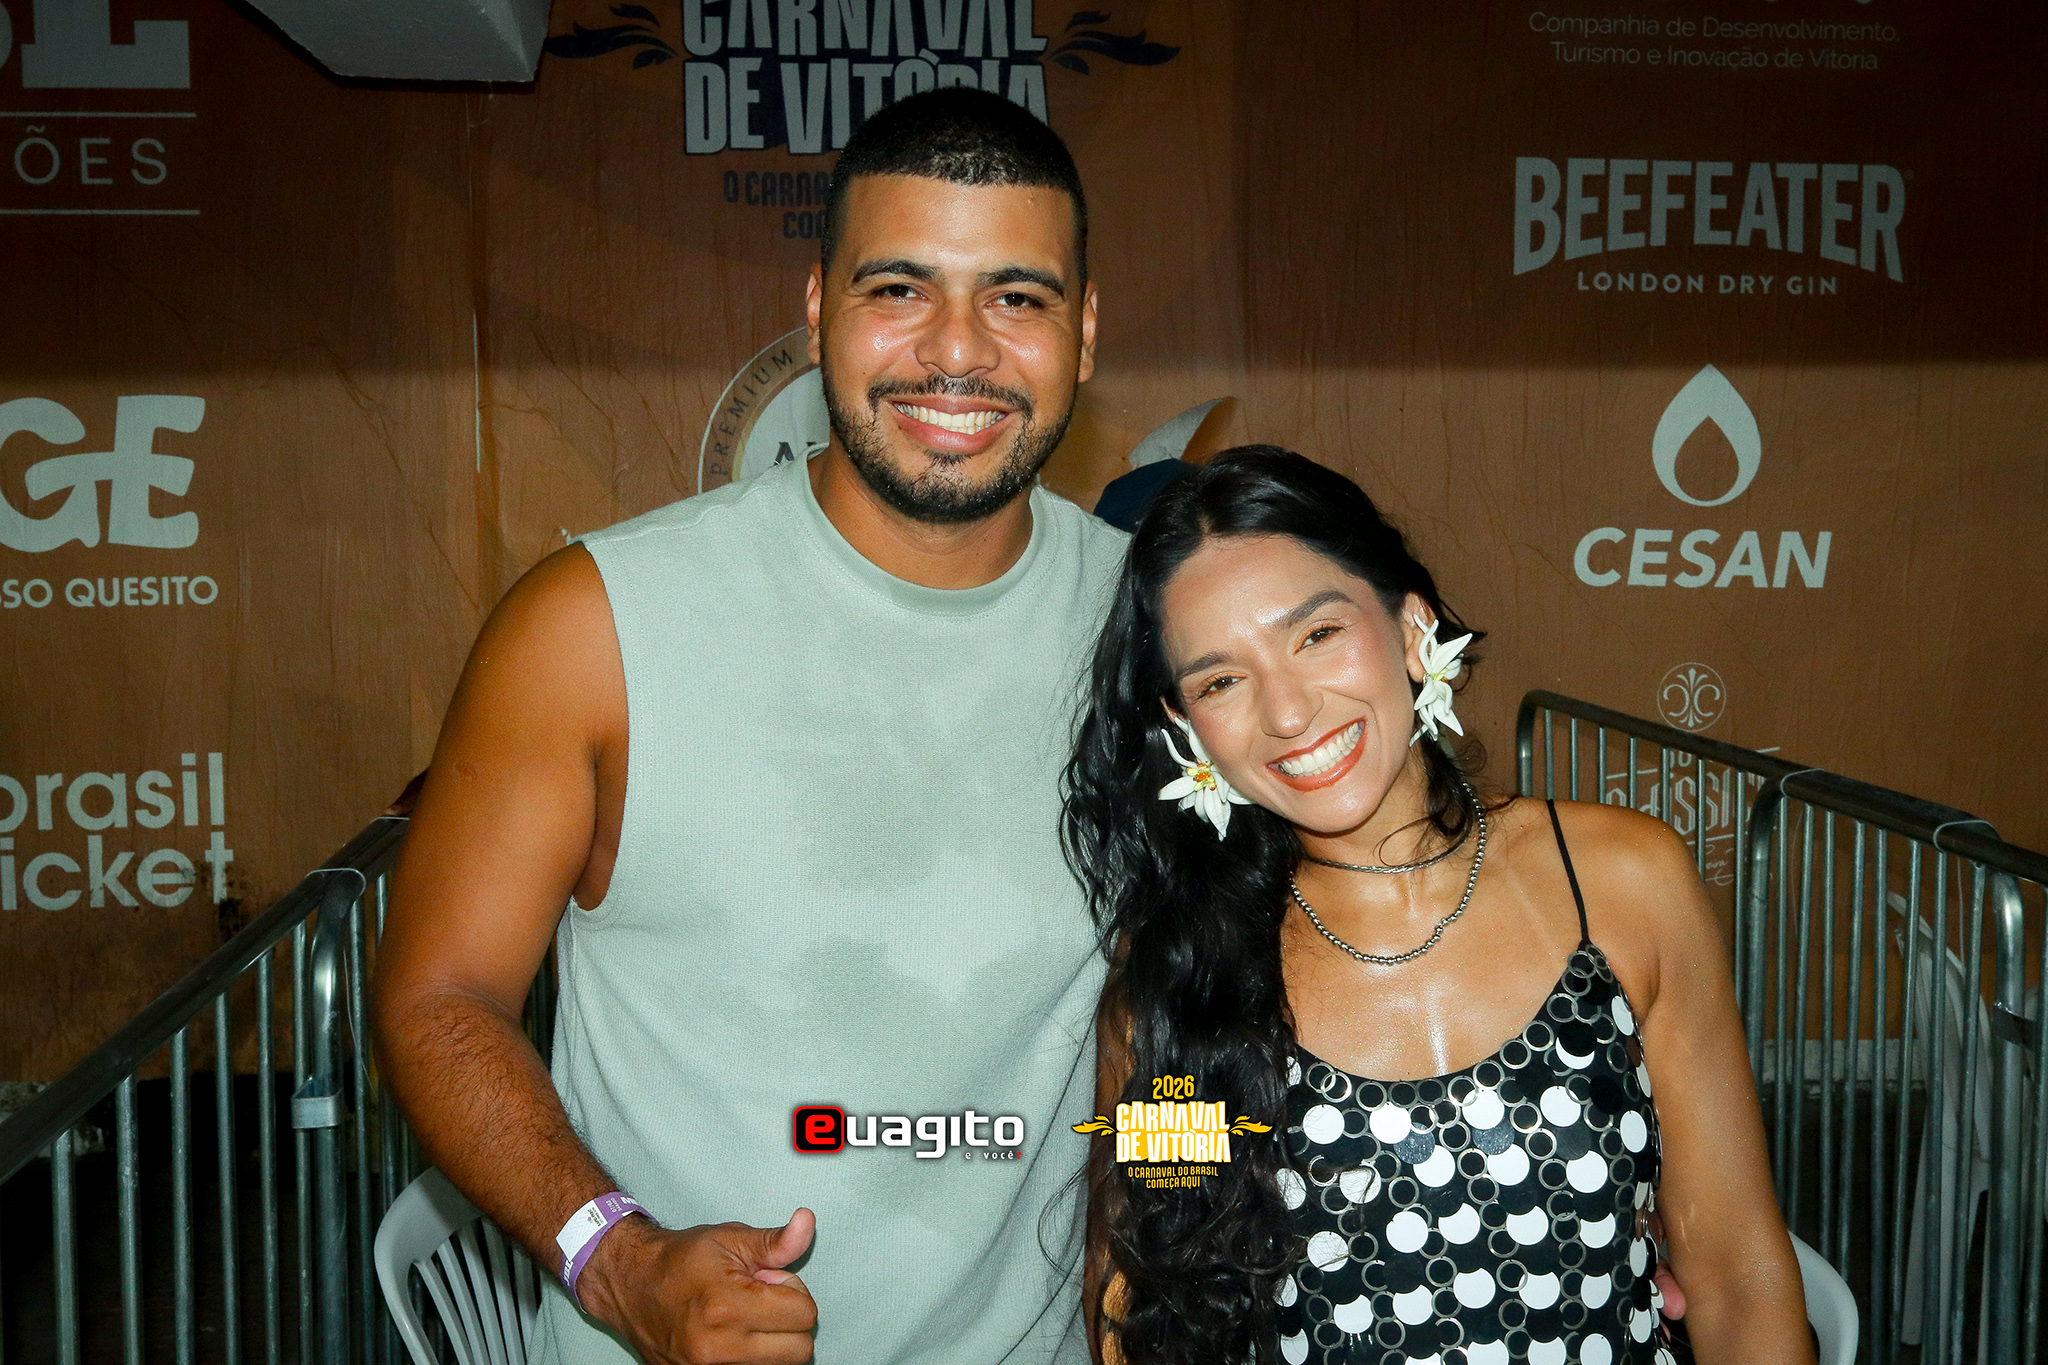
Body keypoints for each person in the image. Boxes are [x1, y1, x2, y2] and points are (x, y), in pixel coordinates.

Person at [373, 88, 1126, 1365]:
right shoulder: (591, 626)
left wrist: (1155, 1254)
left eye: (1016, 297)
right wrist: (614, 1259)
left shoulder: (1161, 639)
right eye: (898, 289)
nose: (957, 351)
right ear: (818, 307)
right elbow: (440, 998)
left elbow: (1145, 1050)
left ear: (1084, 332)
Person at [1063, 448, 1812, 1365]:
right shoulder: (1184, 970)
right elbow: (1139, 1304)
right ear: (1186, 726)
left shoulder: (1623, 880)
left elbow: (1737, 1268)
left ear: (1410, 624)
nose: (1288, 711)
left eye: (1317, 633)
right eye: (1221, 680)